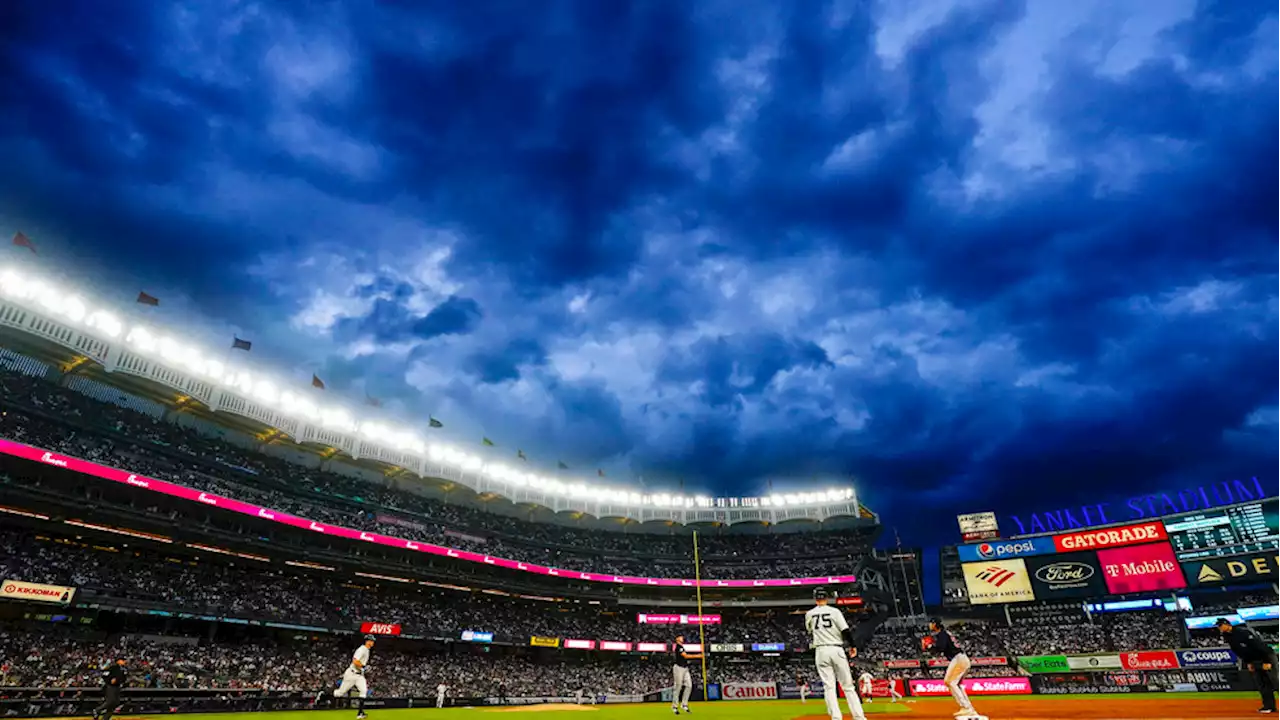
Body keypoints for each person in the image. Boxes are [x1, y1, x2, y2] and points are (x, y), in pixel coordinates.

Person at [804, 587, 866, 720]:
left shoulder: (809, 614)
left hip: (820, 651)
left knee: (829, 687)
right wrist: (853, 645)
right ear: (826, 598)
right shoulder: (835, 611)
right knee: (848, 686)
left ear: (815, 599)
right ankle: (859, 716)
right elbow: (845, 631)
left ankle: (836, 717)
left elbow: (809, 631)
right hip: (836, 648)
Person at [926, 618, 984, 720]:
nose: (930, 625)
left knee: (949, 682)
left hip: (958, 659)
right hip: (962, 658)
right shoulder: (945, 633)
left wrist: (930, 647)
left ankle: (965, 707)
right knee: (957, 684)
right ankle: (969, 708)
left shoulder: (942, 634)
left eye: (931, 623)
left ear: (935, 624)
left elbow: (941, 648)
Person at [1217, 617, 1278, 713]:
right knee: (1262, 683)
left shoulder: (1242, 632)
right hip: (1253, 659)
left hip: (1265, 655)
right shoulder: (1227, 636)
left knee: (1276, 681)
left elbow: (1258, 646)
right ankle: (1269, 706)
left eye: (1220, 625)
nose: (1219, 628)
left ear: (1227, 624)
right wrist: (1248, 663)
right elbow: (1239, 651)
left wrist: (1267, 661)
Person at [334, 635, 375, 719]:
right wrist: (363, 667)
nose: (373, 642)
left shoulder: (367, 650)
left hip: (359, 676)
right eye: (371, 640)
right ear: (367, 641)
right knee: (339, 693)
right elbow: (355, 661)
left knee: (364, 691)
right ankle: (323, 694)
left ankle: (360, 713)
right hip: (351, 674)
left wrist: (363, 669)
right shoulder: (362, 649)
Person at [672, 634, 702, 714]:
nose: (682, 637)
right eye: (680, 637)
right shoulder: (678, 647)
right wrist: (697, 656)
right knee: (678, 687)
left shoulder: (682, 647)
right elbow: (685, 656)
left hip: (685, 668)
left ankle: (684, 704)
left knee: (689, 685)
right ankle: (675, 706)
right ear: (677, 639)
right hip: (678, 668)